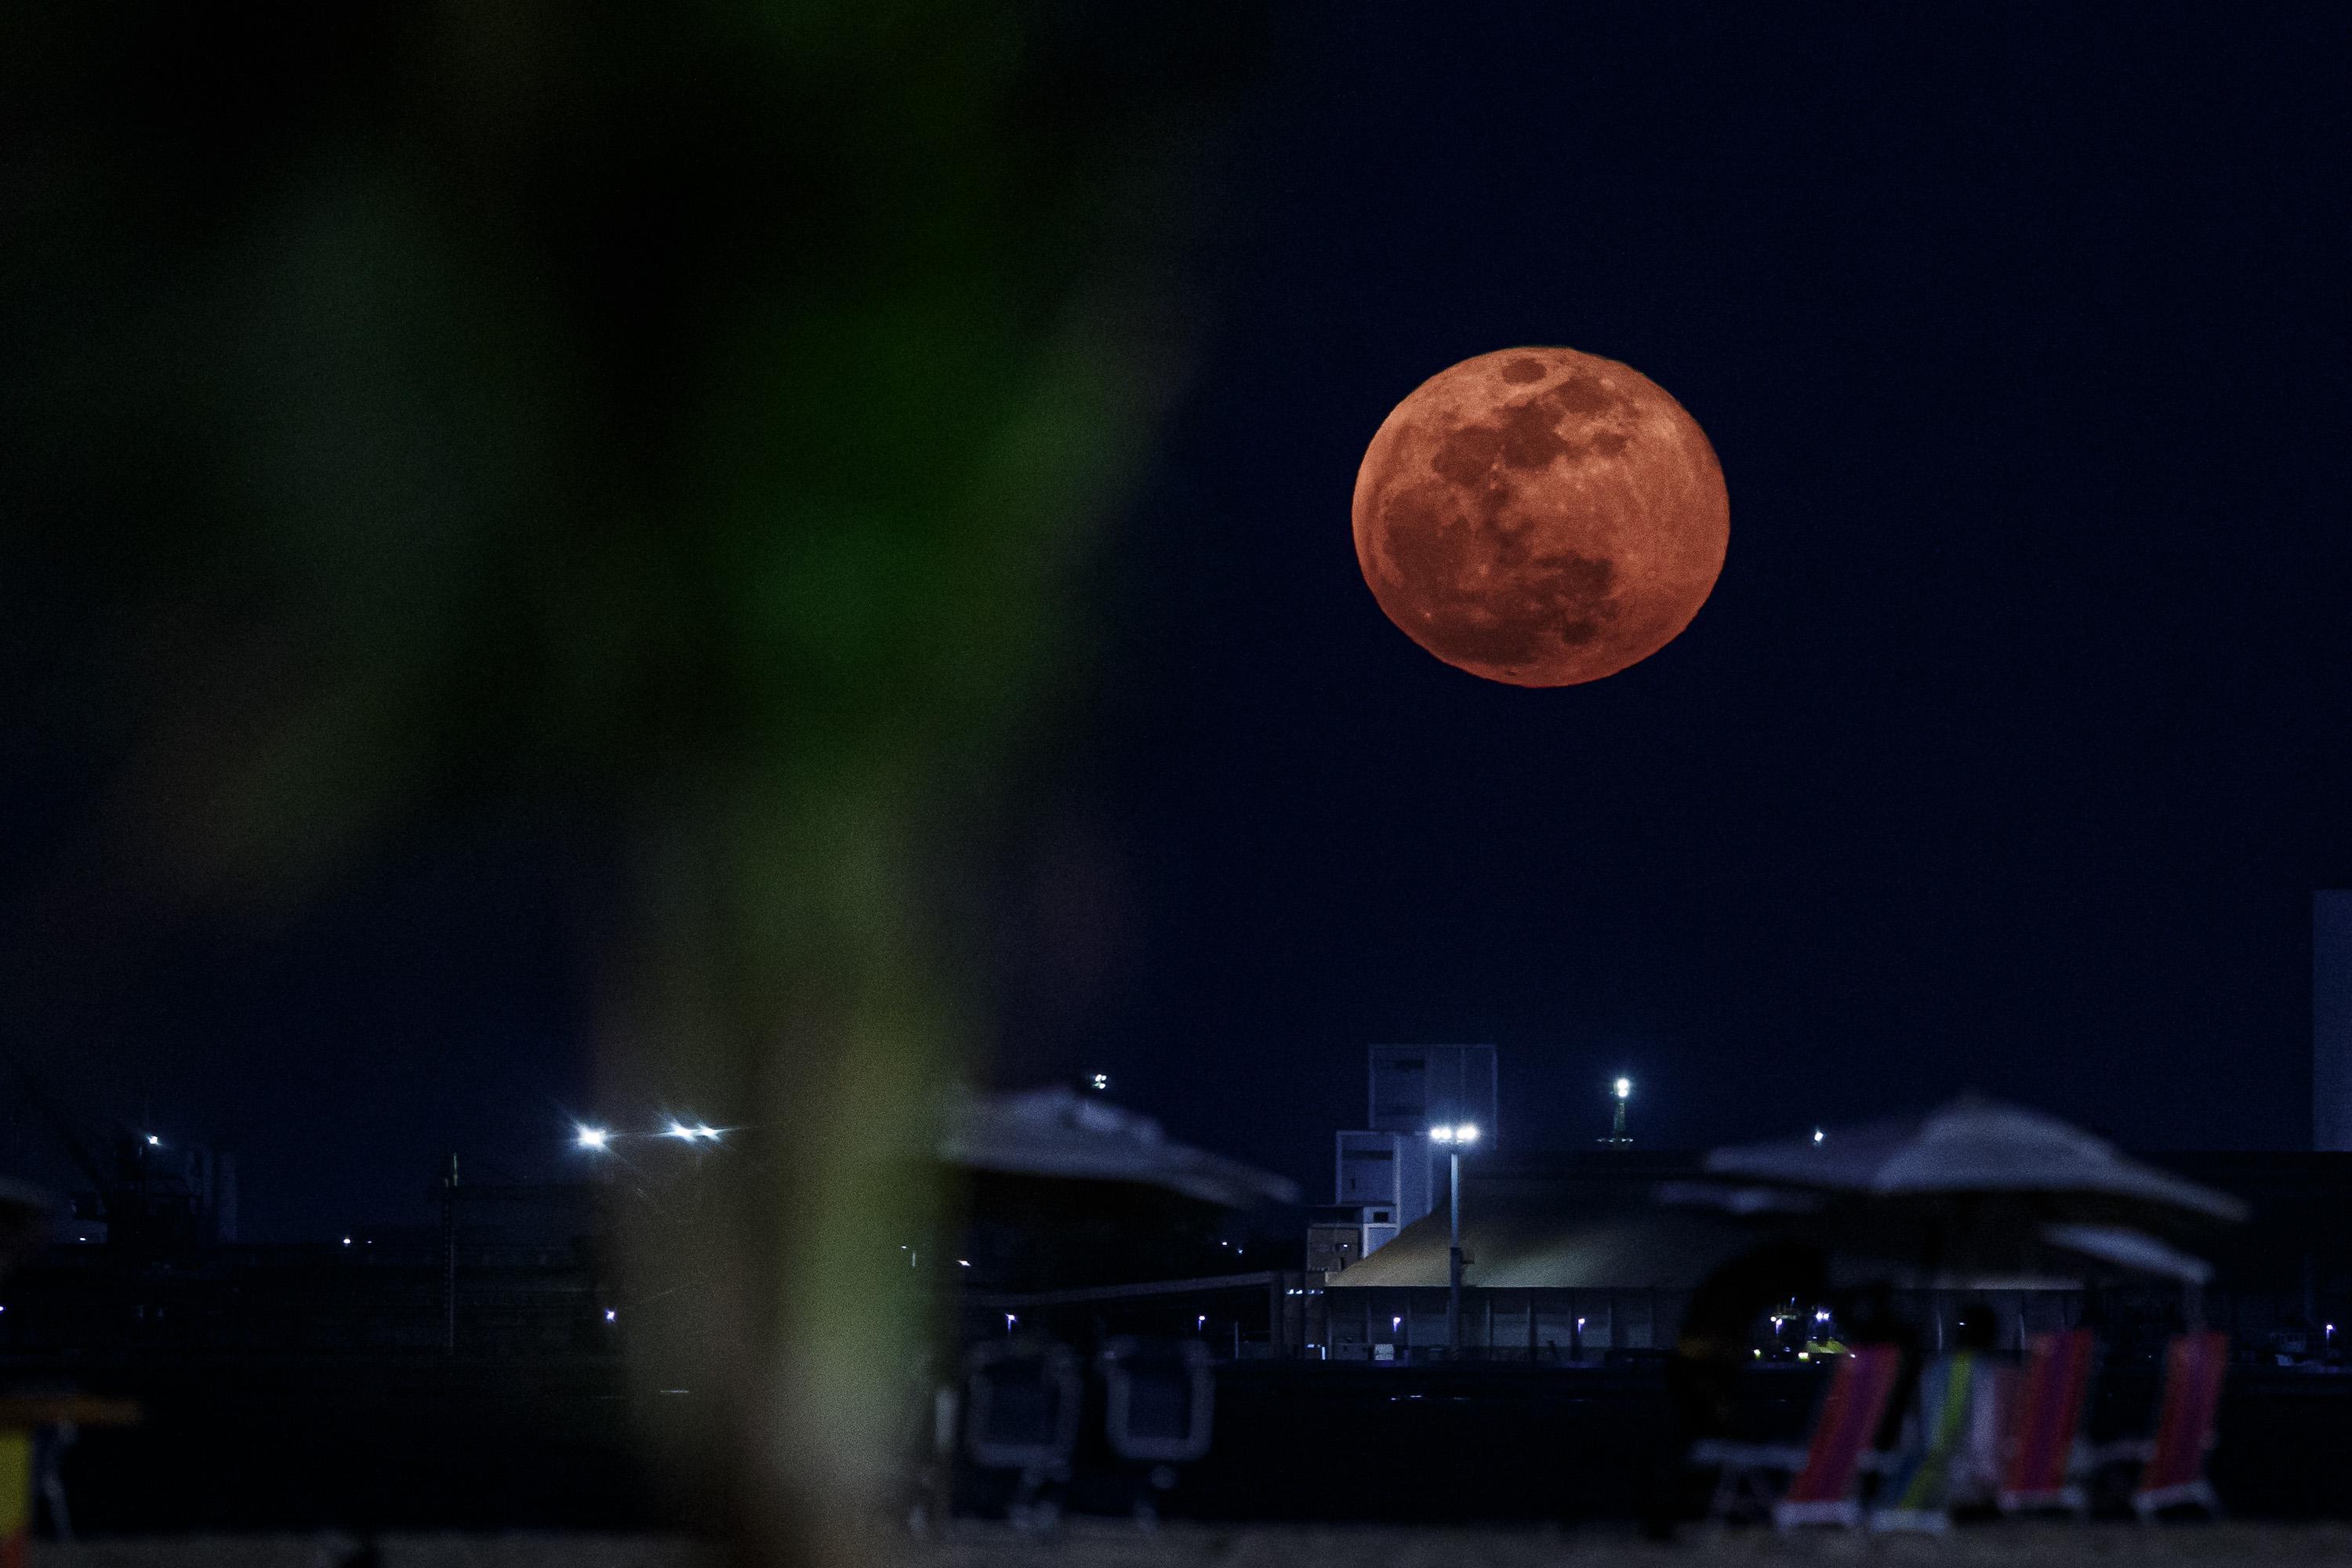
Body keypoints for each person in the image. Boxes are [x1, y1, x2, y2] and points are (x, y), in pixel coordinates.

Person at [1643, 1241, 1827, 1538]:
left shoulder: (1740, 1277)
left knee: (1691, 1440)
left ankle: (1684, 1508)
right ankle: (1685, 1507)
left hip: (1700, 1363)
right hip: (1703, 1367)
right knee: (1700, 1437)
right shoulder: (1754, 1280)